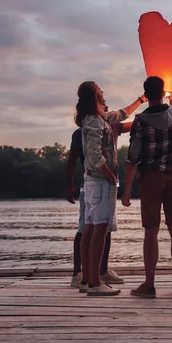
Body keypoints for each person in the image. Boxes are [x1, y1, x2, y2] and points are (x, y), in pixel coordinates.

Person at [122, 76, 172, 298]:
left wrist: (126, 190)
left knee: (151, 232)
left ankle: (150, 285)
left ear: (146, 95)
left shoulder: (140, 121)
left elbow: (133, 157)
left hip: (151, 178)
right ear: (163, 92)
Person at [75, 81, 146, 296]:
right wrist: (110, 174)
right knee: (100, 230)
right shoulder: (96, 122)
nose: (103, 91)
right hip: (100, 181)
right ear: (95, 95)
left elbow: (122, 114)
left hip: (92, 182)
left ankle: (87, 280)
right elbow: (94, 153)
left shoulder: (100, 118)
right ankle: (96, 283)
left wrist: (141, 100)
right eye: (99, 89)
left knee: (89, 228)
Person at [66, 122, 131, 288]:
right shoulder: (80, 133)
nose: (106, 107)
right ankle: (78, 273)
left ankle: (102, 271)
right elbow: (72, 160)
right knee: (84, 229)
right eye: (103, 103)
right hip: (91, 184)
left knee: (105, 227)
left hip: (105, 184)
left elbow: (129, 120)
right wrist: (69, 185)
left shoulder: (108, 127)